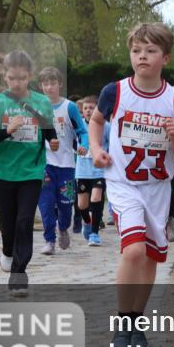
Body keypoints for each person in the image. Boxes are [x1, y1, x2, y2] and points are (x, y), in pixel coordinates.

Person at [88, 23, 174, 347]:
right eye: (136, 51)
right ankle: (122, 325)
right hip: (123, 183)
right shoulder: (115, 91)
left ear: (166, 58)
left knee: (149, 257)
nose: (142, 56)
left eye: (150, 51)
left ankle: (136, 321)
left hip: (158, 188)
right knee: (133, 250)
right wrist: (96, 149)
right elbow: (96, 121)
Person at [0, 50, 56, 296]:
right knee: (9, 224)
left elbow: (48, 129)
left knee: (24, 221)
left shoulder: (41, 102)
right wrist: (7, 131)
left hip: (31, 171)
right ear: (5, 76)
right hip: (2, 172)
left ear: (29, 76)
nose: (17, 83)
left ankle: (19, 274)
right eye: (12, 78)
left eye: (22, 78)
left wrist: (53, 141)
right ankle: (7, 252)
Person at [37, 67, 88, 254]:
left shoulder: (69, 107)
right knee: (46, 204)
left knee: (66, 205)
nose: (49, 87)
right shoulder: (36, 108)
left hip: (66, 164)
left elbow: (82, 131)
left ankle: (63, 227)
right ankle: (49, 240)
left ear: (60, 84)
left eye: (53, 83)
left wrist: (84, 145)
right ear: (41, 86)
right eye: (45, 84)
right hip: (44, 164)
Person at [75, 95, 107, 246]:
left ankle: (94, 233)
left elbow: (112, 143)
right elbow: (71, 141)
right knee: (82, 205)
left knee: (96, 198)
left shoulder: (105, 125)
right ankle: (87, 222)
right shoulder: (78, 125)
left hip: (99, 170)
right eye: (85, 108)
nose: (88, 111)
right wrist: (77, 148)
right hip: (82, 170)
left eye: (91, 108)